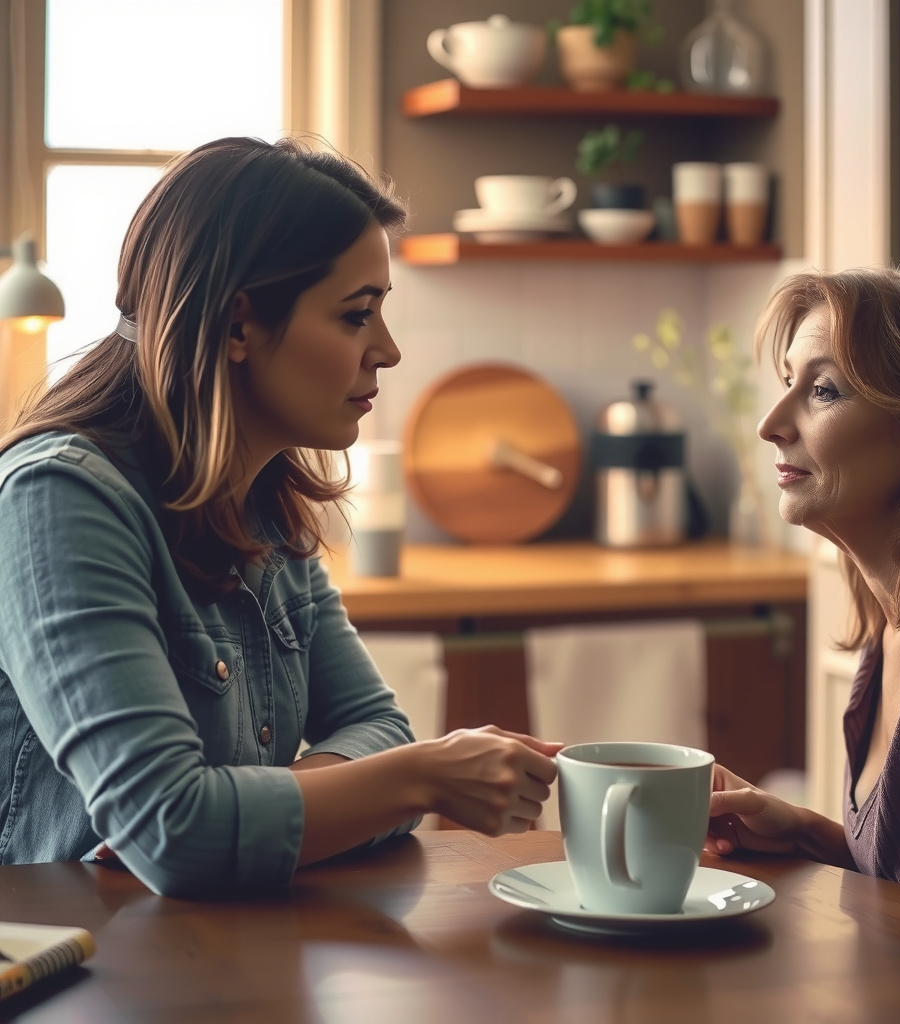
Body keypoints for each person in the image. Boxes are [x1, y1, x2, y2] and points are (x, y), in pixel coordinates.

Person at [0, 137, 560, 899]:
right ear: (237, 326)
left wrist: (266, 800)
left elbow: (376, 728)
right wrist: (419, 778)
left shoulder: (268, 505)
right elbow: (176, 832)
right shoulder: (57, 500)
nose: (388, 352)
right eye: (356, 316)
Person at [705, 259, 900, 933]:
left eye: (822, 392)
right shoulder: (896, 613)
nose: (770, 423)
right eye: (788, 382)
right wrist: (812, 837)